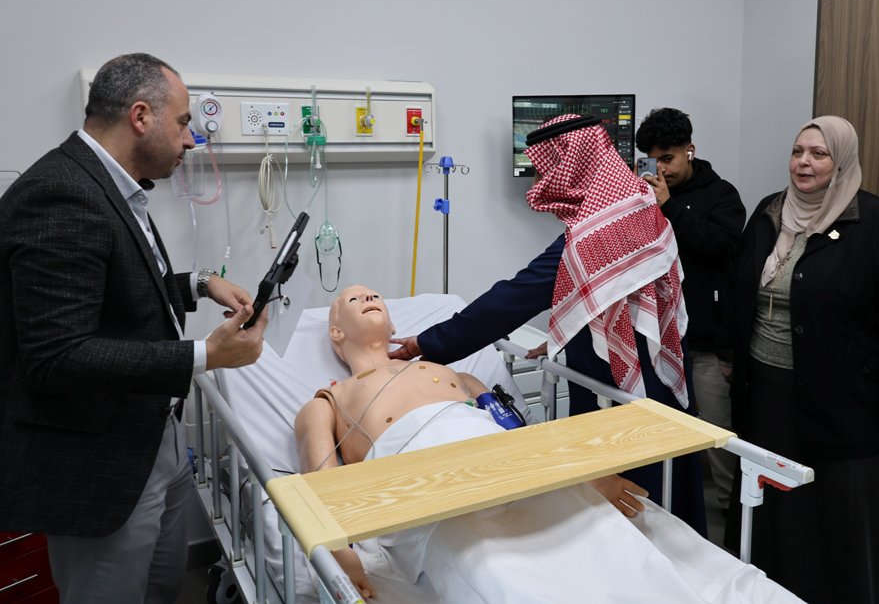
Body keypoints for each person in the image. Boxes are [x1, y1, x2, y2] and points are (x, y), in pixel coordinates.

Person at [295, 285, 798, 604]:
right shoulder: (329, 400)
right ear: (335, 331)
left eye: (375, 295)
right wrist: (342, 558)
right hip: (425, 493)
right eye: (354, 299)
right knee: (497, 569)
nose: (370, 296)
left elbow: (517, 432)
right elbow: (324, 486)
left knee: (604, 537)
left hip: (512, 469)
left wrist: (582, 476)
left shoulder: (449, 373)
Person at [0, 53, 269, 603]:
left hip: (153, 435)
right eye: (184, 122)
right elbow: (58, 357)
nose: (191, 139)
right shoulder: (63, 195)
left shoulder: (112, 186)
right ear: (141, 116)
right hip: (100, 462)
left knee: (161, 589)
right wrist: (205, 356)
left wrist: (201, 283)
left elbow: (120, 293)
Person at [389, 114, 708, 536]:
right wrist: (568, 334)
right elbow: (618, 300)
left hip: (627, 395)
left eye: (548, 169)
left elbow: (514, 298)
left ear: (573, 167)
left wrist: (426, 344)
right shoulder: (638, 204)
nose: (542, 181)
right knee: (672, 501)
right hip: (658, 374)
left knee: (638, 511)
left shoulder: (596, 234)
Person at [726, 116, 879, 604]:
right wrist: (731, 356)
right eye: (798, 152)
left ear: (841, 161)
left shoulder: (877, 223)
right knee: (775, 509)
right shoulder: (769, 213)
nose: (804, 163)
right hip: (768, 396)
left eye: (819, 154)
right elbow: (739, 290)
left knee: (834, 519)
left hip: (844, 402)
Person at [636, 107, 745, 513]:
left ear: (690, 151)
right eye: (653, 160)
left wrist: (669, 206)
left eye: (668, 158)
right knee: (663, 426)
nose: (661, 169)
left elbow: (719, 243)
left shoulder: (722, 195)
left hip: (705, 340)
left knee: (718, 431)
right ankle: (671, 507)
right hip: (657, 336)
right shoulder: (643, 195)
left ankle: (733, 514)